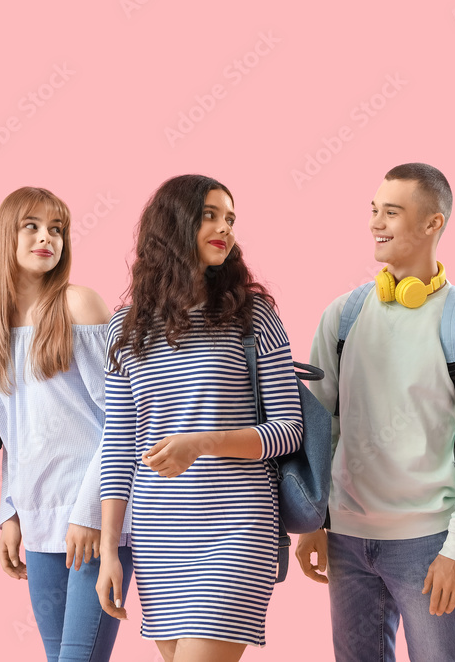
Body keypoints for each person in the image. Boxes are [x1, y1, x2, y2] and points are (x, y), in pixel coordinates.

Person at [296, 163, 455, 662]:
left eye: (391, 212)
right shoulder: (343, 317)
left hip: (428, 542)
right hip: (347, 539)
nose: (376, 223)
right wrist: (313, 518)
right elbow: (315, 425)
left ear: (432, 223)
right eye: (374, 211)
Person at [95, 174, 303, 662]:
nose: (224, 228)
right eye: (210, 215)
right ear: (173, 224)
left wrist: (201, 443)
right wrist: (109, 551)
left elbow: (288, 431)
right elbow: (119, 446)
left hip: (236, 523)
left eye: (229, 218)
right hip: (159, 533)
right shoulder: (125, 329)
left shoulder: (252, 315)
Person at [0, 187, 134, 661]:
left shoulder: (79, 305)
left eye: (57, 229)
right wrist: (9, 512)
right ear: (6, 235)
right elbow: (11, 433)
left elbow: (123, 419)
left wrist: (90, 513)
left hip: (93, 517)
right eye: (32, 226)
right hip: (39, 517)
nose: (47, 238)